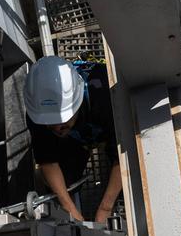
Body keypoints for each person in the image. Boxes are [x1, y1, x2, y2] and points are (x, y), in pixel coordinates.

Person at [23, 58, 121, 224]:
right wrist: (70, 209)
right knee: (64, 183)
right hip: (77, 138)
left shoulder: (107, 98)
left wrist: (106, 208)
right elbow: (48, 161)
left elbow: (123, 156)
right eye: (49, 123)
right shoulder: (38, 111)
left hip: (105, 127)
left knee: (131, 174)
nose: (56, 128)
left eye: (62, 121)